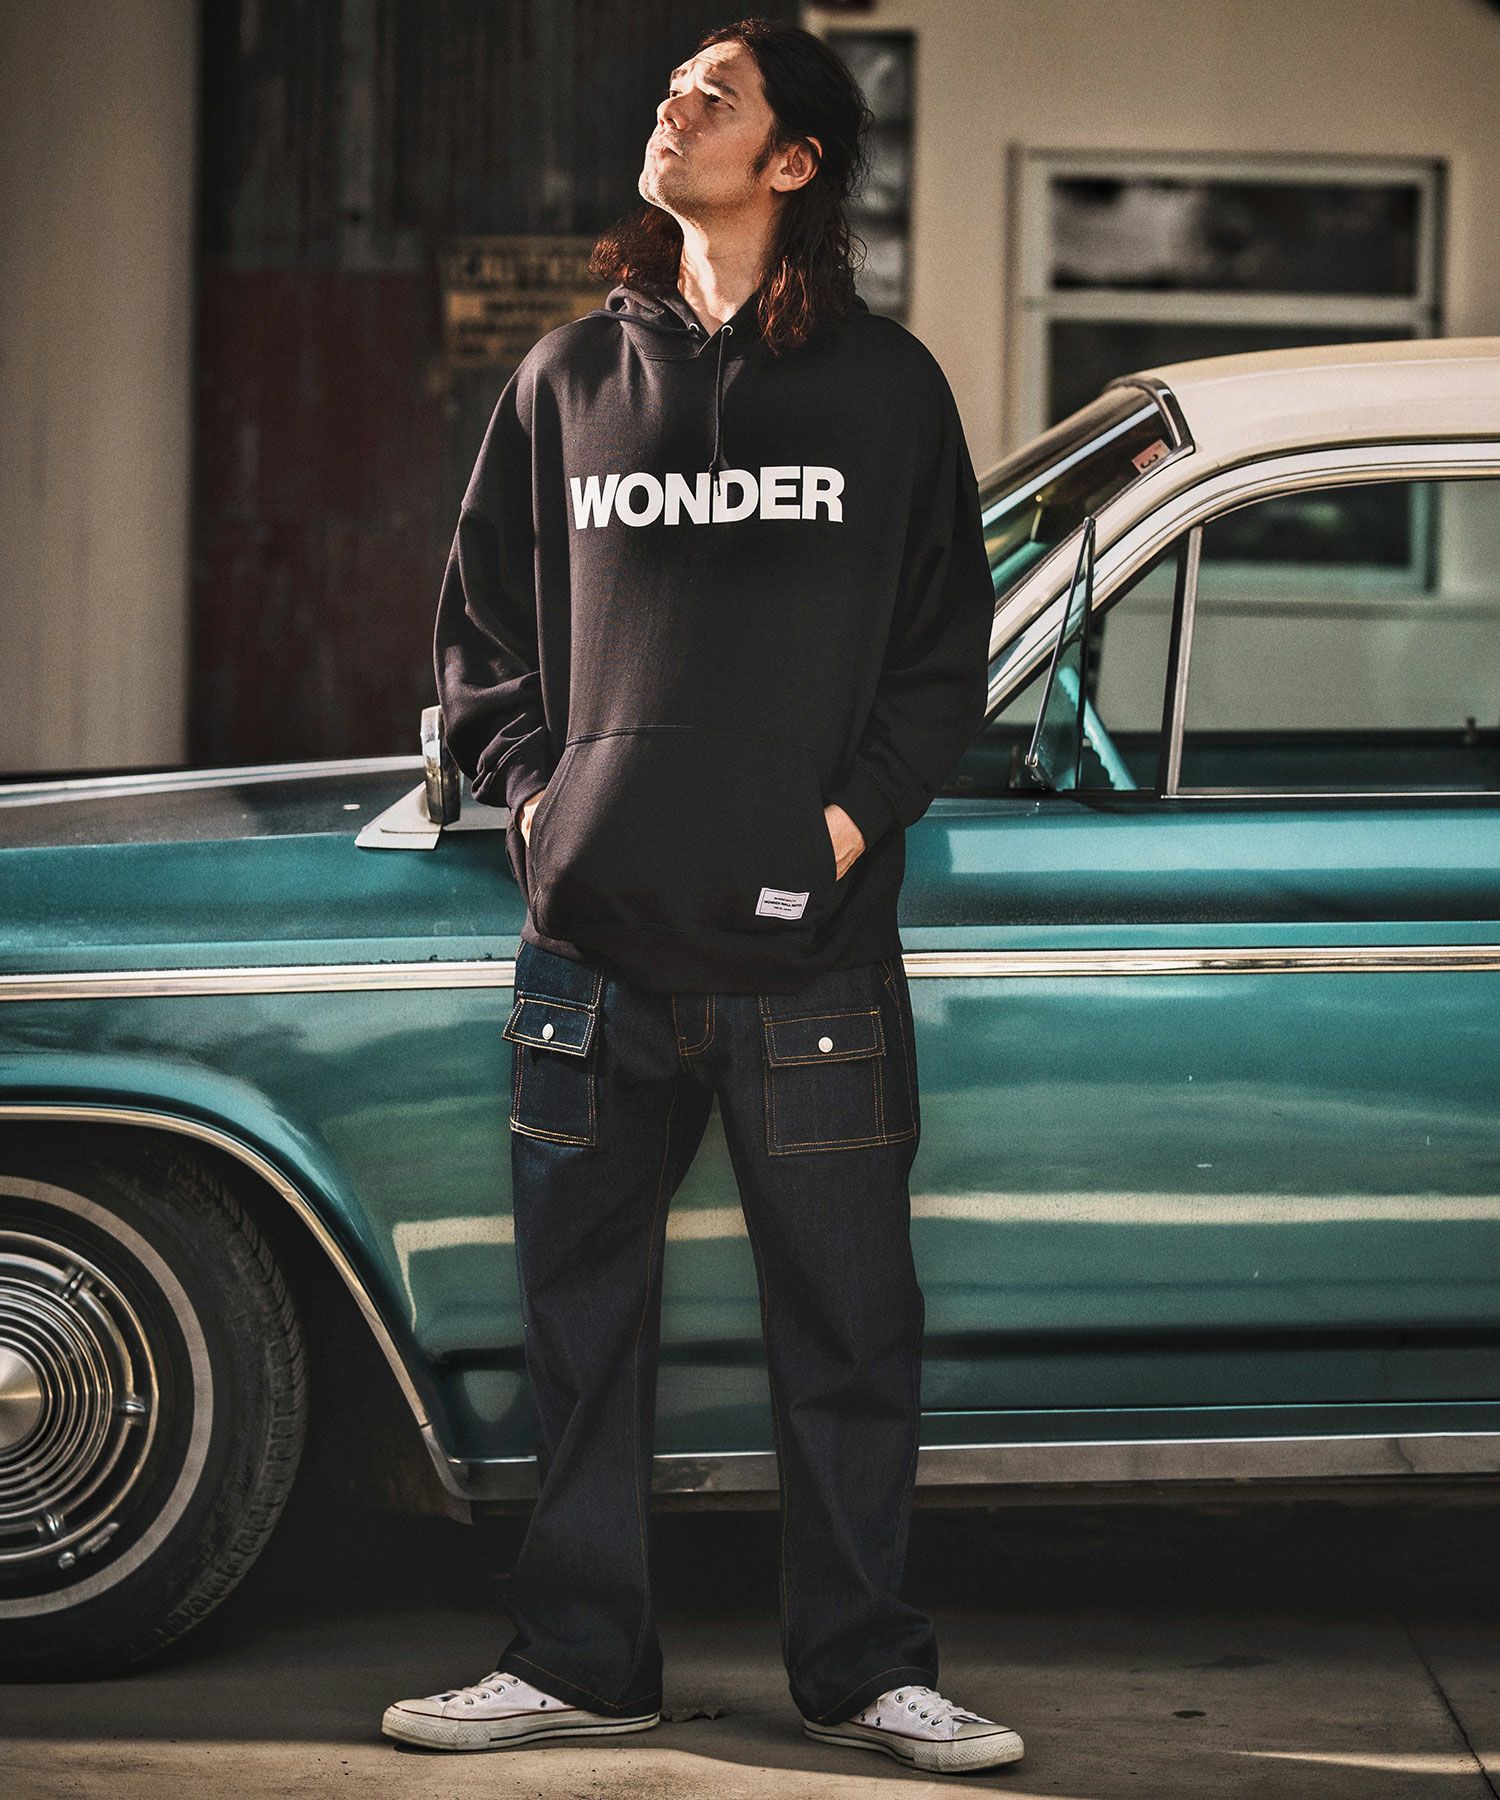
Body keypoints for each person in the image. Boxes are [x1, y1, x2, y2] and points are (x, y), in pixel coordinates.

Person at [382, 17, 1023, 1779]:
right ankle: (580, 1660)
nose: (672, 106)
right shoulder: (565, 380)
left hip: (811, 964)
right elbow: (478, 640)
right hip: (592, 956)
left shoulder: (887, 392)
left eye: (714, 93)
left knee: (849, 1334)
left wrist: (845, 827)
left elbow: (942, 655)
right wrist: (543, 809)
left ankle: (866, 1671)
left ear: (794, 160)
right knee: (582, 1337)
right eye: (672, 86)